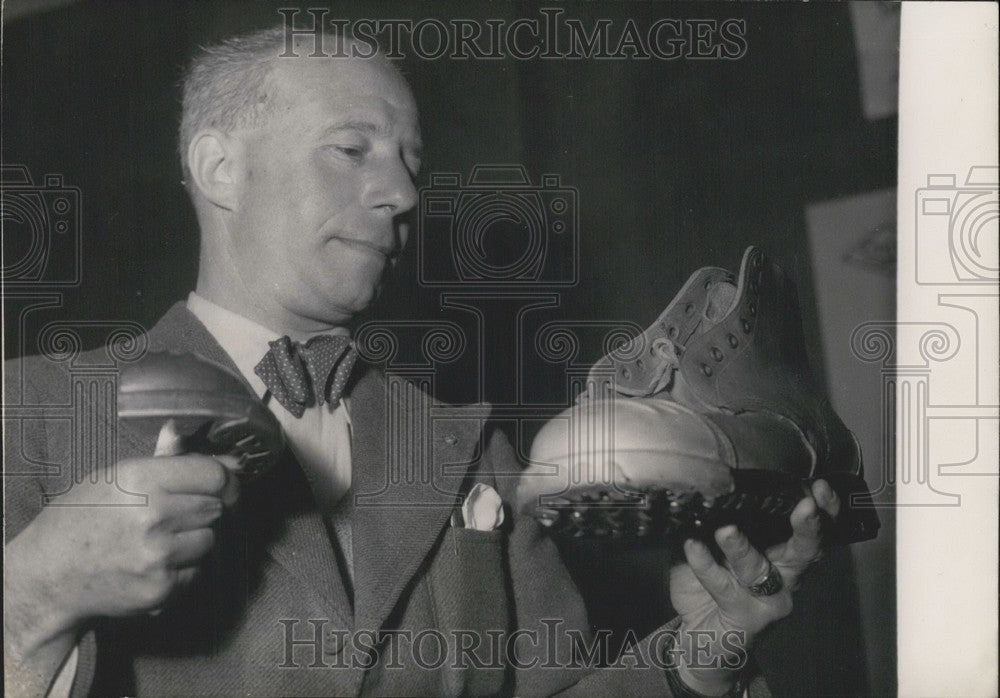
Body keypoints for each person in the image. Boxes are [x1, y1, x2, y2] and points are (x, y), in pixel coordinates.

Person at [3, 25, 840, 697]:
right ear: (221, 168)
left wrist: (696, 659)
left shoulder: (469, 449)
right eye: (352, 149)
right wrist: (32, 600)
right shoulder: (31, 415)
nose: (402, 194)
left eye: (411, 161)